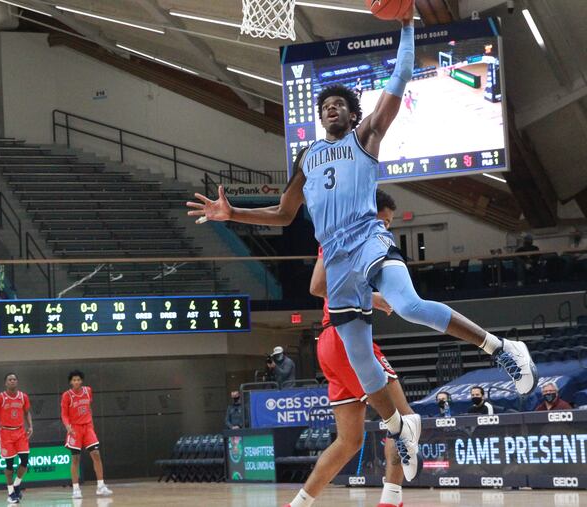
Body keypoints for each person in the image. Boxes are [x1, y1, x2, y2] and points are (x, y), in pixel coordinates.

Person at [187, 10, 536, 487]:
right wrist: (234, 215)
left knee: (408, 304)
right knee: (358, 355)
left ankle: (501, 347)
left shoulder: (366, 137)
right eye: (325, 104)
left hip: (367, 238)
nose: (331, 108)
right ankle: (401, 426)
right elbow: (285, 214)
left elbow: (401, 77)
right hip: (335, 256)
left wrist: (409, 27)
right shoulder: (306, 157)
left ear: (353, 114)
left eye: (339, 104)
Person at [281, 190, 410, 507]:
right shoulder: (360, 240)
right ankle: (391, 501)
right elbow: (318, 287)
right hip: (348, 337)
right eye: (386, 221)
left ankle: (298, 504)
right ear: (372, 214)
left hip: (329, 342)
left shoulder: (335, 234)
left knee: (349, 440)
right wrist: (374, 299)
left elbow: (323, 287)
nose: (387, 228)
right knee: (404, 421)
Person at [61, 370, 112, 499]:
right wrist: (68, 426)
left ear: (81, 380)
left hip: (88, 427)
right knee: (75, 458)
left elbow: (89, 408)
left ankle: (101, 485)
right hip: (75, 429)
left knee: (96, 454)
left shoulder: (88, 391)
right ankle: (76, 488)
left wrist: (92, 425)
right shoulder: (67, 395)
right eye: (74, 380)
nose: (76, 382)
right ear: (70, 382)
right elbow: (64, 414)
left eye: (78, 379)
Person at [0, 373, 33, 504]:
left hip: (20, 432)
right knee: (9, 465)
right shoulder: (0, 398)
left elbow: (27, 412)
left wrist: (30, 426)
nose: (12, 381)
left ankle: (17, 484)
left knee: (25, 461)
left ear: (17, 382)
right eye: (10, 379)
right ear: (6, 383)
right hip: (6, 433)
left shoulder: (23, 397)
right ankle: (10, 493)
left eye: (14, 379)